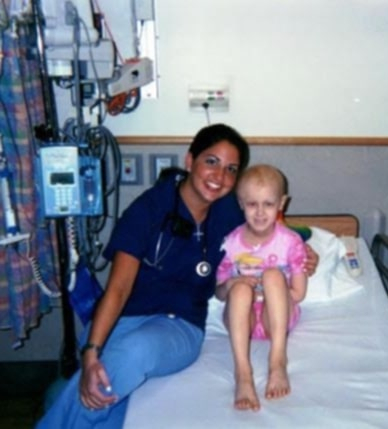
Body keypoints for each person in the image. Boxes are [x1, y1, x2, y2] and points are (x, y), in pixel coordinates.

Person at [35, 124, 318, 429]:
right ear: (190, 160)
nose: (219, 176)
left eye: (231, 169)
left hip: (178, 325)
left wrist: (305, 248)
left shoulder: (230, 210)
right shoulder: (149, 209)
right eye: (211, 161)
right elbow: (118, 289)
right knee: (101, 382)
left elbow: (270, 226)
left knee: (131, 354)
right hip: (124, 317)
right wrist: (91, 351)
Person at [216, 164, 308, 412]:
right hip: (241, 320)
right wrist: (230, 284)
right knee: (239, 289)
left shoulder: (290, 242)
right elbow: (219, 293)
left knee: (273, 275)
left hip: (276, 317)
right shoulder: (231, 243)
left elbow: (298, 294)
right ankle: (243, 373)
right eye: (251, 204)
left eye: (268, 204)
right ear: (241, 203)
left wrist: (266, 291)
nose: (259, 212)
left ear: (281, 203)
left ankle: (277, 360)